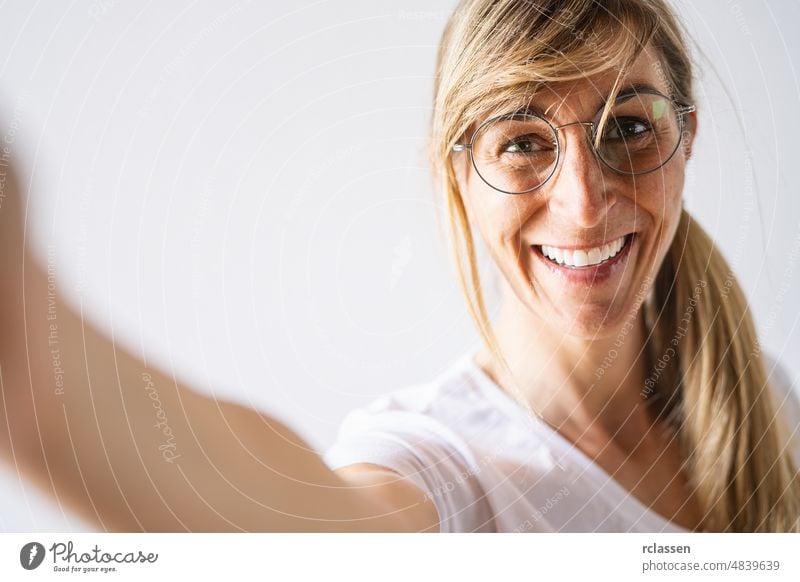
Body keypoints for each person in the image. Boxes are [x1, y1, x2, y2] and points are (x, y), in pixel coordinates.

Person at [0, 0, 798, 533]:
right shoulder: (443, 469)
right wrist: (40, 377)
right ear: (453, 174)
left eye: (628, 127)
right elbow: (299, 511)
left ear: (687, 138)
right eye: (521, 142)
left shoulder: (764, 394)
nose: (585, 205)